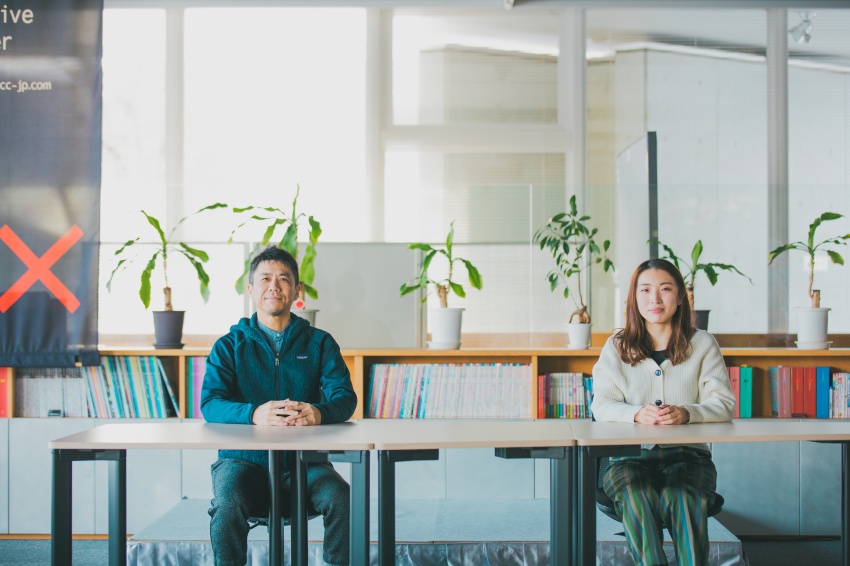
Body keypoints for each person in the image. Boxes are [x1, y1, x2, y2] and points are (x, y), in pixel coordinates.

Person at [201, 245, 357, 566]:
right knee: (227, 505)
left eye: (284, 279)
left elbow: (345, 399)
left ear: (297, 290)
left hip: (307, 465)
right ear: (250, 290)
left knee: (341, 498)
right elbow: (211, 403)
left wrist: (319, 413)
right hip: (242, 464)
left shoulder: (320, 342)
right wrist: (253, 414)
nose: (274, 286)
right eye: (265, 279)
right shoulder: (229, 346)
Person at [590, 258, 736, 566]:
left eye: (665, 289)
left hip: (688, 456)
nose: (654, 299)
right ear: (634, 298)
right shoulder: (616, 347)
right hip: (628, 459)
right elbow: (601, 404)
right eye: (645, 290)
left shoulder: (703, 344)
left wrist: (687, 413)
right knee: (637, 498)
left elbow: (723, 403)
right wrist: (633, 414)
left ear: (680, 296)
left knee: (683, 498)